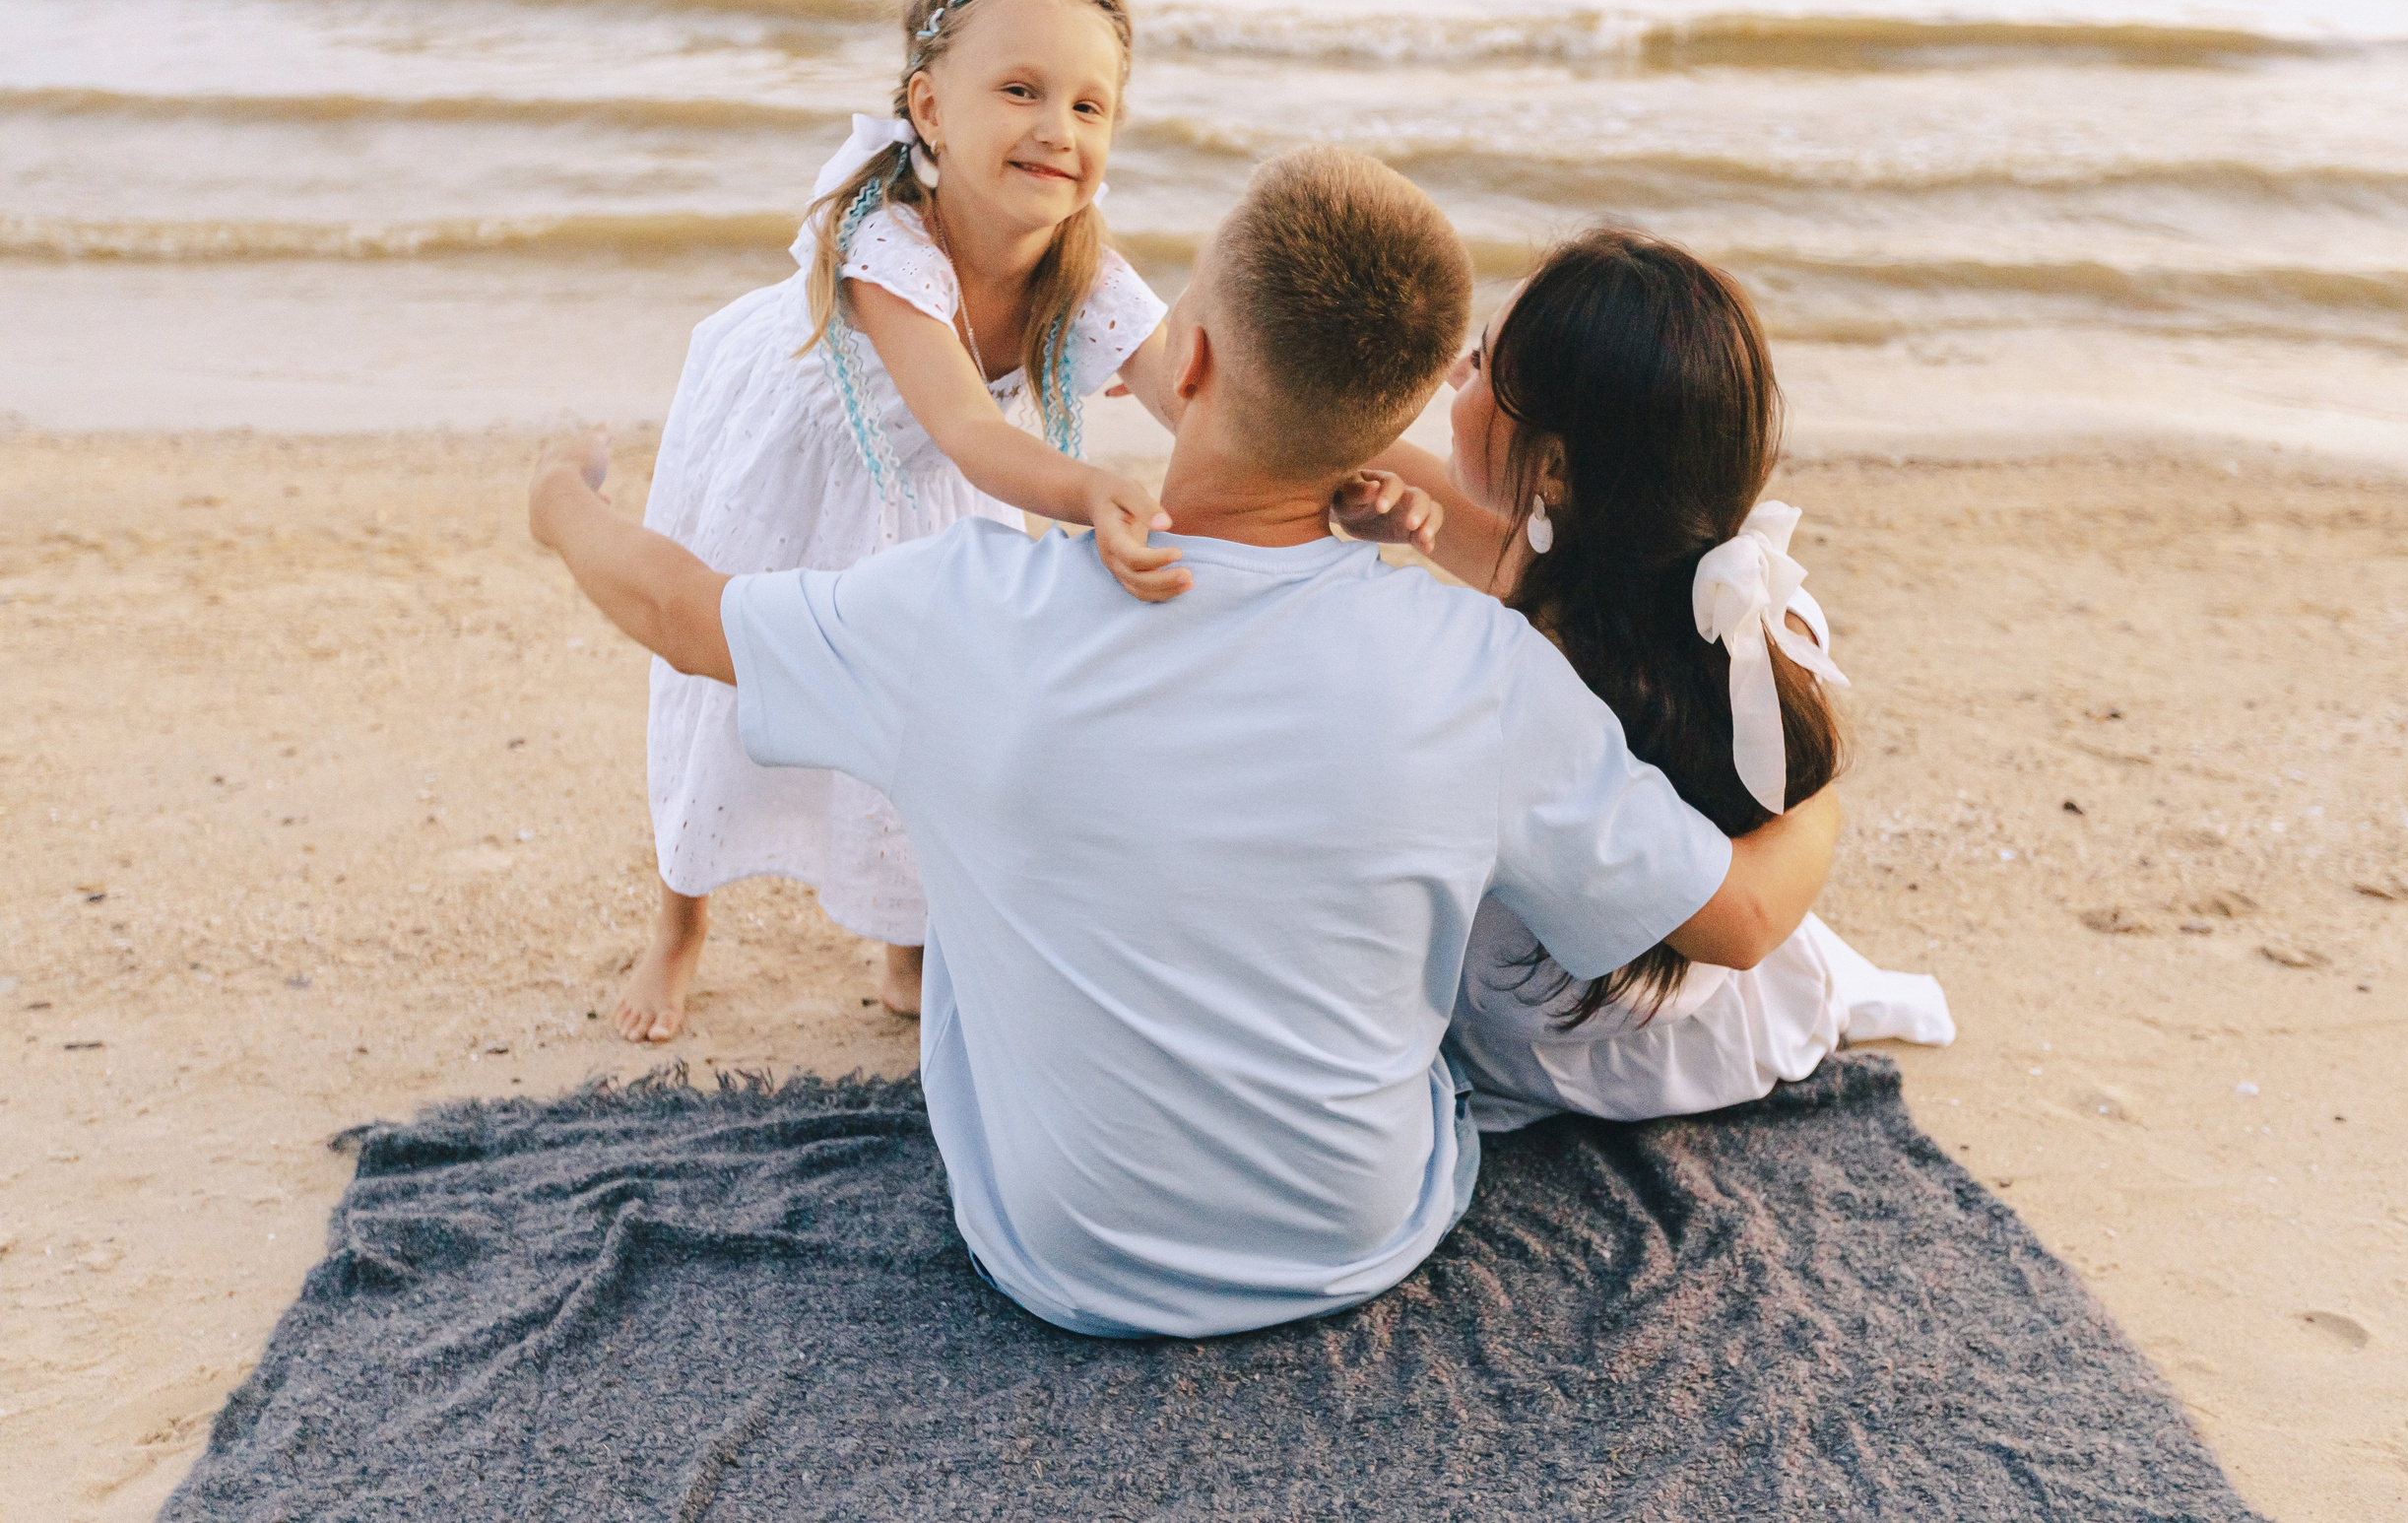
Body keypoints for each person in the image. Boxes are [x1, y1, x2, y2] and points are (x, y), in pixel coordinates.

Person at [528, 148, 1842, 1339]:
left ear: (1190, 361)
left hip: (1056, 1258)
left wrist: (561, 508)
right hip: (1360, 1241)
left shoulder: (966, 607)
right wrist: (1824, 779)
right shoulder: (1489, 674)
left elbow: (683, 614)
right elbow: (1731, 924)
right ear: (1396, 414)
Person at [623, 0, 1190, 1041]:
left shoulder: (1083, 269)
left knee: (942, 709)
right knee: (732, 687)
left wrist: (1354, 467)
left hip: (929, 492)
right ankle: (678, 924)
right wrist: (1092, 491)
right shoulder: (882, 235)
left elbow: (1200, 402)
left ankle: (909, 945)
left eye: (1088, 107)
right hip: (792, 460)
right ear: (929, 109)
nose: (1055, 129)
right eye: (1019, 90)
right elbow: (969, 426)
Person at [1369, 228, 1953, 1131]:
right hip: (1691, 997)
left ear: (1555, 467)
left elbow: (1749, 919)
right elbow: (1336, 444)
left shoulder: (1546, 689)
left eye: (1482, 361)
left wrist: (1818, 798)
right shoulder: (1713, 601)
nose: (1452, 373)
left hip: (1576, 1040)